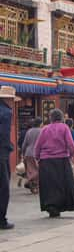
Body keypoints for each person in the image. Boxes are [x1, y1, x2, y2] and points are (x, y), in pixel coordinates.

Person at [34, 109, 74, 218]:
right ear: (61, 118)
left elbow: (38, 145)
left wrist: (37, 158)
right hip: (62, 160)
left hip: (45, 161)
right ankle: (60, 205)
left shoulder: (44, 129)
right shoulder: (64, 128)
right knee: (62, 184)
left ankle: (51, 206)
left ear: (51, 118)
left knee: (49, 185)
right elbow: (70, 143)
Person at [0, 86, 19, 230]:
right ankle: (1, 220)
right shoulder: (6, 112)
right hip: (1, 152)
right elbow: (4, 134)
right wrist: (8, 147)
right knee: (3, 187)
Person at [21, 117, 42, 194]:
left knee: (30, 170)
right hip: (37, 154)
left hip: (28, 153)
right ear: (40, 124)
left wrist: (23, 153)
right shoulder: (41, 131)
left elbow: (24, 144)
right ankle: (31, 182)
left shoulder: (29, 131)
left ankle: (32, 183)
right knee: (38, 170)